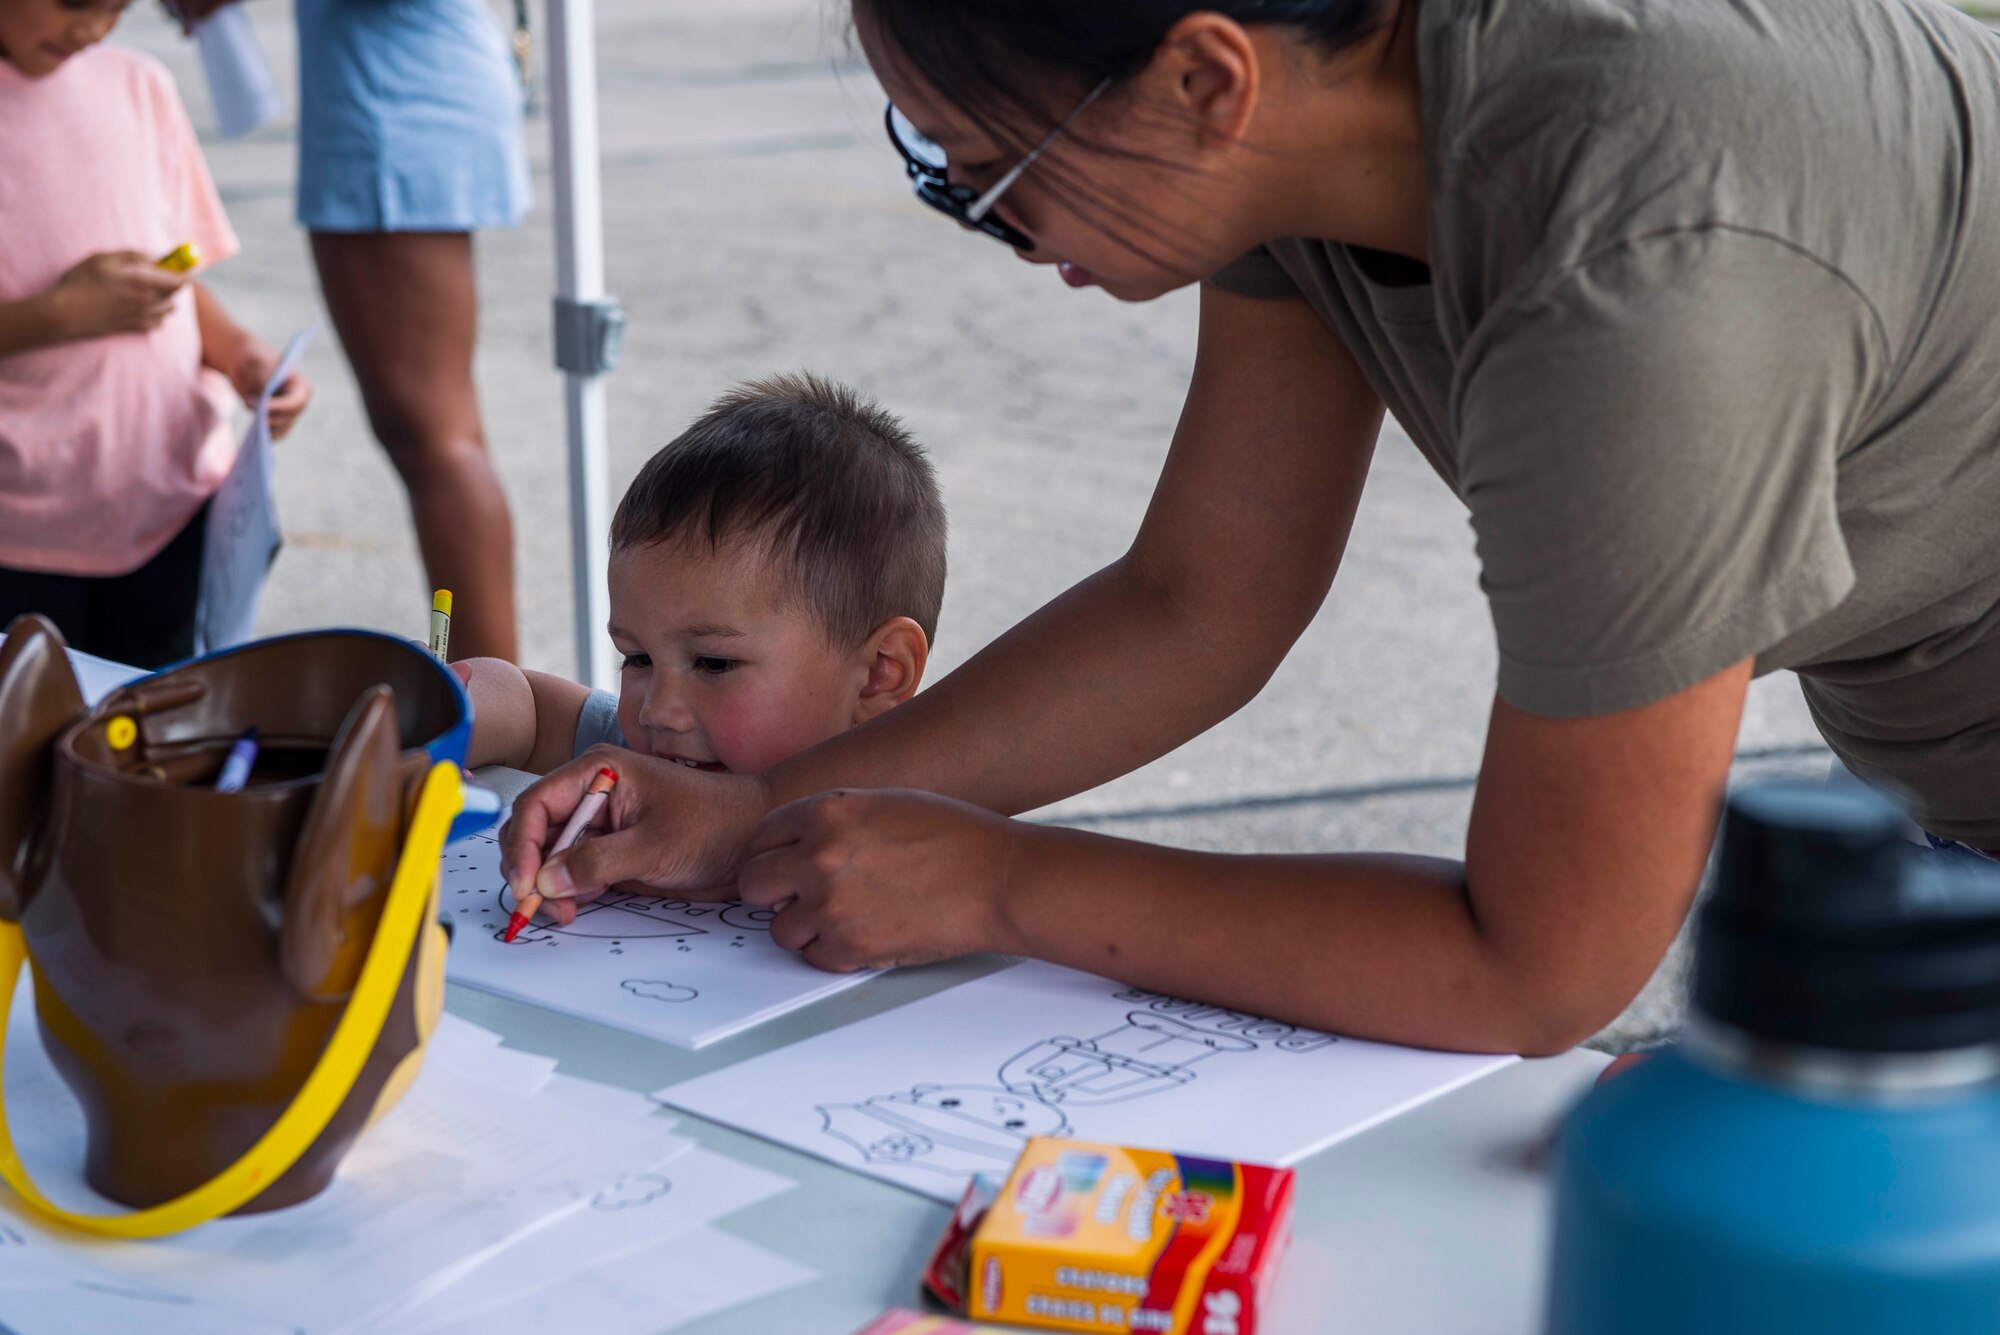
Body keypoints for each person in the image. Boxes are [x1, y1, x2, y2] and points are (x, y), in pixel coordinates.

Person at [503, 0, 2000, 1055]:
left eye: (995, 180)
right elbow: (1198, 598)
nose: (1004, 237)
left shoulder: (1646, 271)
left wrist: (999, 879)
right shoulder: (1323, 125)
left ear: (1203, 83)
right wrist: (761, 812)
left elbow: (1541, 961)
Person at [464, 374, 945, 922]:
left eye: (714, 663)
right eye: (637, 658)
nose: (657, 710)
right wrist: (446, 709)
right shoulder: (650, 766)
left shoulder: (931, 841)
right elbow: (525, 702)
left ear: (880, 673)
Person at [175, 0, 532, 662]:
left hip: (393, 108)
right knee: (436, 439)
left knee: (436, 440)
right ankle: (492, 701)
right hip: (394, 95)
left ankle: (496, 716)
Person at [0, 0, 311, 669]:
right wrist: (58, 314)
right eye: (76, 3)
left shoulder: (140, 87)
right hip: (22, 535)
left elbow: (173, 274)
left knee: (151, 741)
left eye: (117, 6)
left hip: (173, 510)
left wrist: (238, 354)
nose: (92, 29)